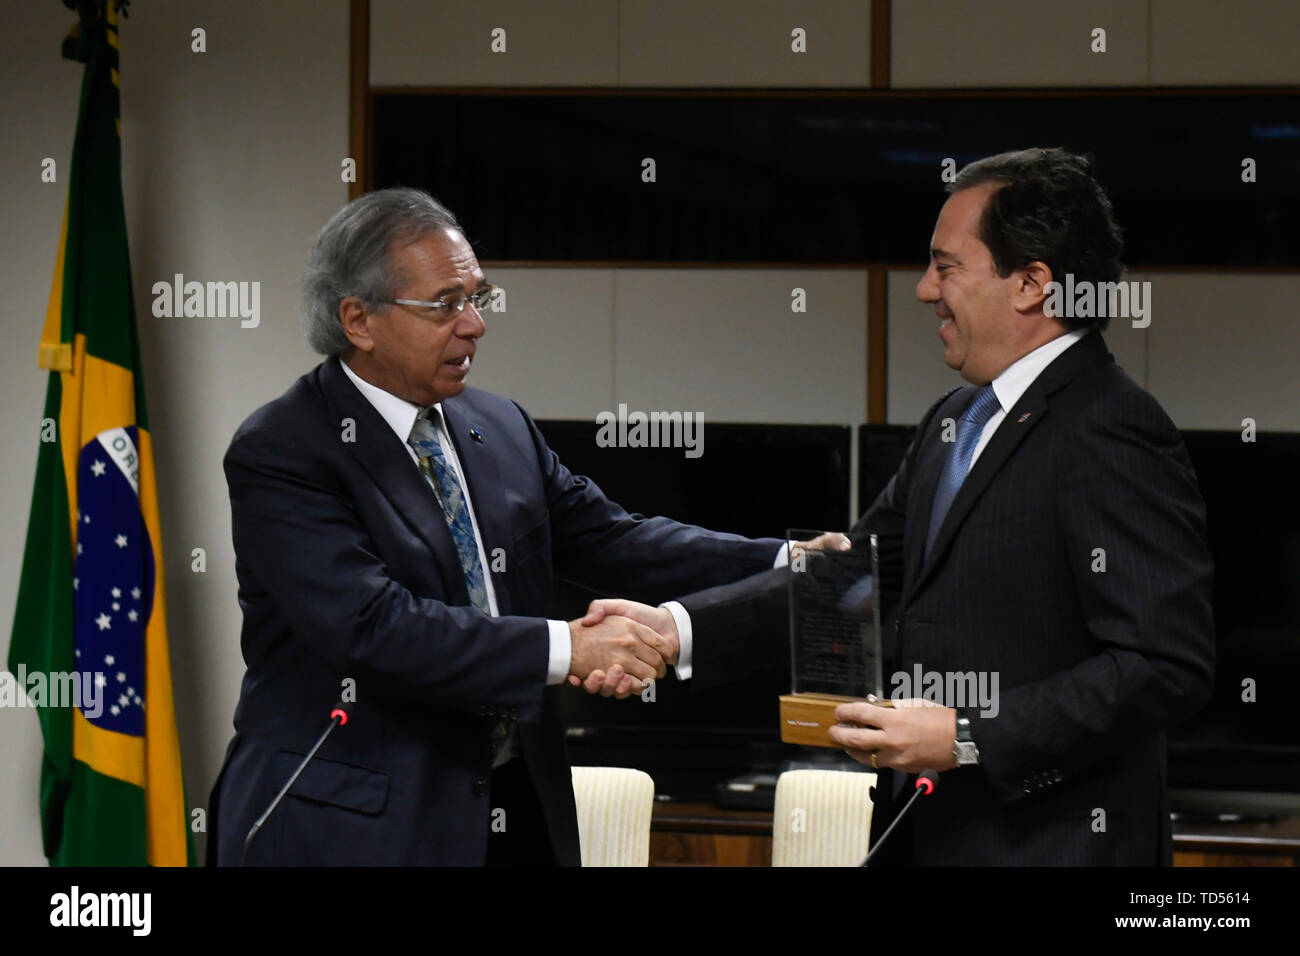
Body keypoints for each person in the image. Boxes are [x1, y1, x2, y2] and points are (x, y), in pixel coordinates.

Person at [583, 148, 1216, 865]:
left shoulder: (1110, 425)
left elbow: (1165, 665)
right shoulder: (958, 417)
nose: (923, 290)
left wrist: (970, 734)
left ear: (1032, 284)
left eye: (946, 267)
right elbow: (851, 580)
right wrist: (674, 630)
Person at [206, 187, 790, 866]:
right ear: (358, 321)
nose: (475, 325)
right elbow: (374, 628)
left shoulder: (499, 426)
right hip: (354, 828)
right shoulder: (285, 449)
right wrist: (571, 648)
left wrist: (788, 562)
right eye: (445, 305)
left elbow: (613, 540)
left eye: (477, 297)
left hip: (513, 806)